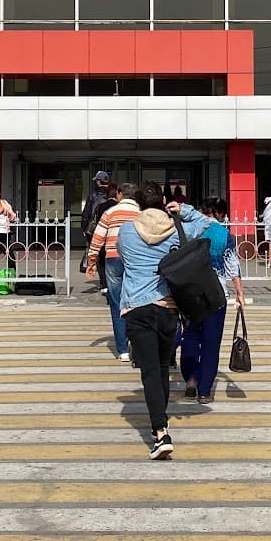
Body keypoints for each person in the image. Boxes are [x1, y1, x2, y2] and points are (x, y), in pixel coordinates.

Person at [115, 182, 179, 460]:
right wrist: (184, 210)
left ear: (138, 204)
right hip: (168, 306)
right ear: (163, 200)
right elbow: (208, 232)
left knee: (150, 372)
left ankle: (160, 432)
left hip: (137, 307)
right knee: (162, 368)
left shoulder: (127, 230)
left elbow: (123, 261)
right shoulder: (177, 228)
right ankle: (160, 424)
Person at [176, 198, 244, 405]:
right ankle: (204, 390)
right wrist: (240, 293)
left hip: (189, 293)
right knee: (210, 343)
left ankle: (191, 378)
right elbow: (232, 266)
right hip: (216, 294)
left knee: (189, 338)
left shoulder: (187, 230)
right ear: (220, 213)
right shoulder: (224, 234)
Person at [87, 182, 140, 362]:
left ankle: (123, 350)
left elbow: (97, 237)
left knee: (117, 303)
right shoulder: (141, 213)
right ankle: (137, 343)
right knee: (136, 301)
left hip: (113, 258)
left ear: (119, 194)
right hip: (135, 260)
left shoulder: (109, 212)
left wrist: (92, 262)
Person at [80, 171, 113, 278]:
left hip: (96, 228)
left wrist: (84, 228)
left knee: (97, 252)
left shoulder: (93, 195)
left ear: (99, 182)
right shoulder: (113, 194)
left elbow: (87, 213)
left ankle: (103, 281)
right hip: (111, 227)